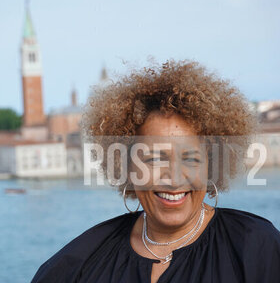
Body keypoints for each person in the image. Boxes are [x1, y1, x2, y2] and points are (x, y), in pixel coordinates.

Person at [31, 60, 280, 283]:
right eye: (153, 159)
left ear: (211, 166)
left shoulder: (256, 247)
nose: (173, 177)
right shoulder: (80, 263)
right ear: (126, 167)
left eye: (190, 158)